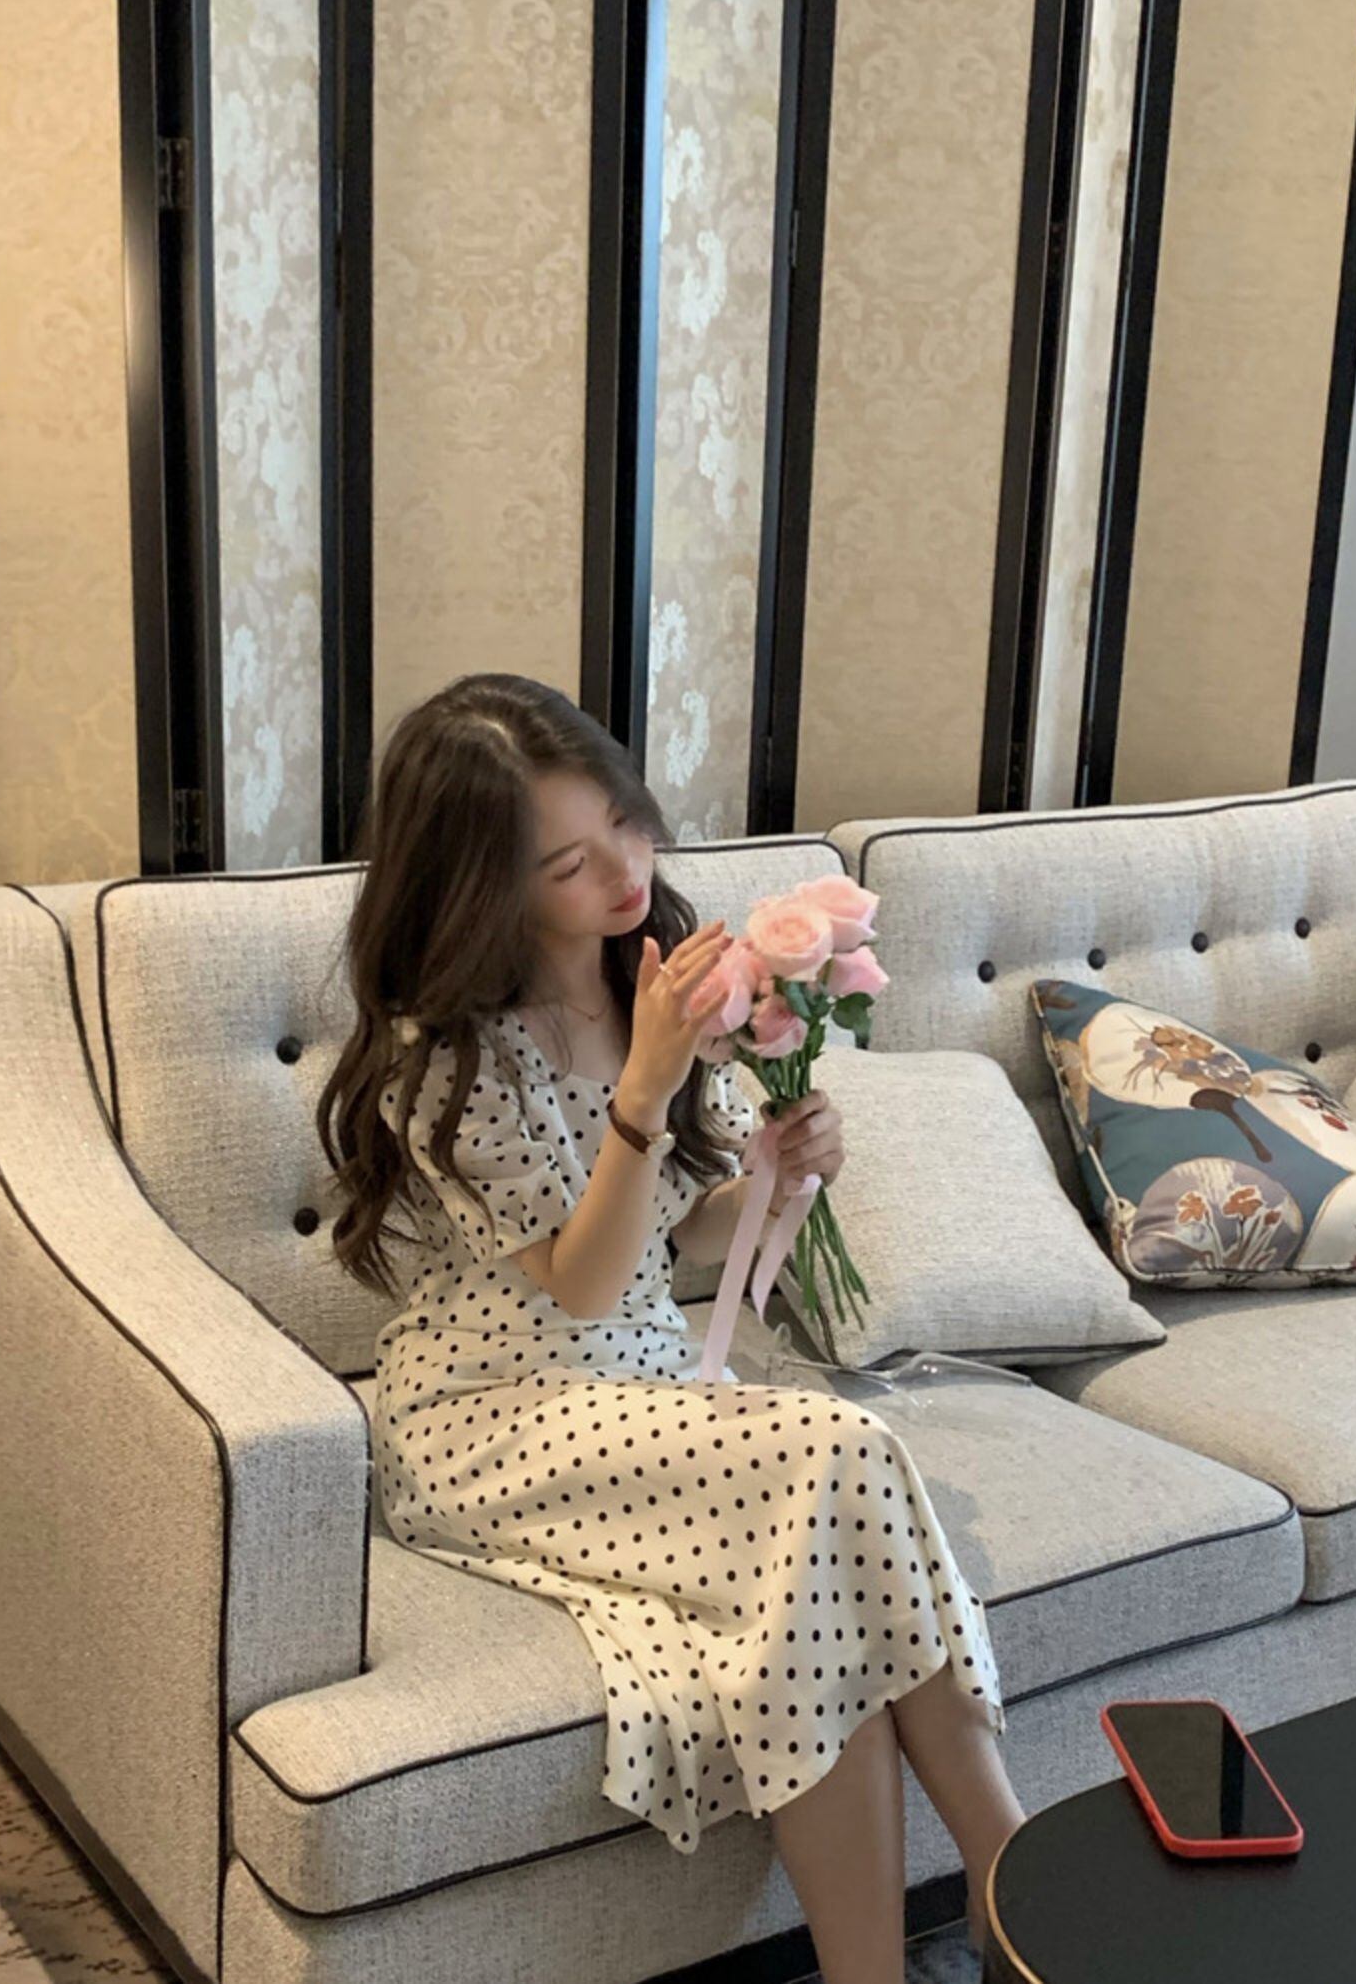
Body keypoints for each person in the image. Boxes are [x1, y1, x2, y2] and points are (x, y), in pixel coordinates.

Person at [318, 673, 1025, 1982]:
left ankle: (952, 1927)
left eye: (626, 825)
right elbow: (584, 1281)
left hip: (638, 1382)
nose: (625, 872)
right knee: (840, 1449)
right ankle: (1017, 1884)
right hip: (493, 1416)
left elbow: (677, 1239)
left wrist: (778, 1176)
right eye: (570, 864)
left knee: (817, 1598)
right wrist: (644, 1086)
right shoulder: (446, 1061)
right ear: (483, 888)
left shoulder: (644, 970)